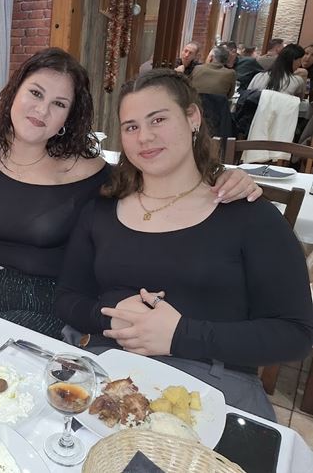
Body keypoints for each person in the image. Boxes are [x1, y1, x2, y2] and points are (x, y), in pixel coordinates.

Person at [0, 49, 260, 340]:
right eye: (35, 93)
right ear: (14, 92)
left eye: (59, 104)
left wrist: (221, 177)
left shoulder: (94, 176)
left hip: (46, 303)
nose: (42, 110)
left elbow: (164, 186)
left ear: (68, 118)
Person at [54, 69, 313, 418]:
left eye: (158, 119)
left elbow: (296, 334)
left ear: (193, 117)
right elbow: (68, 298)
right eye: (131, 127)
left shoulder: (248, 215)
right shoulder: (101, 209)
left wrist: (181, 335)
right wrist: (109, 319)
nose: (144, 137)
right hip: (109, 373)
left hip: (211, 388)